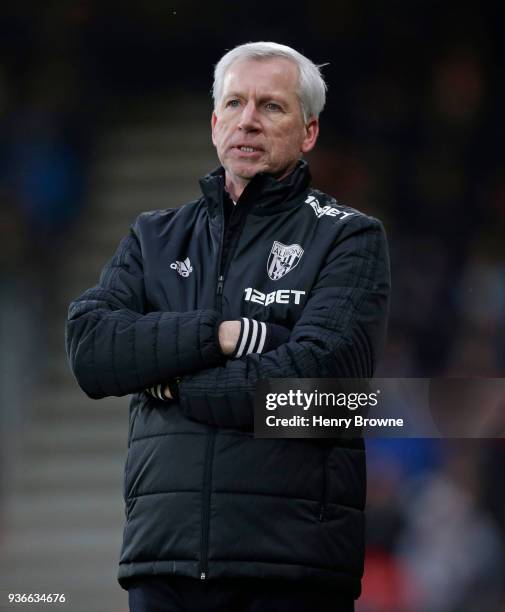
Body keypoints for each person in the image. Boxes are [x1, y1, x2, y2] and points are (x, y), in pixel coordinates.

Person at [65, 41, 391, 612]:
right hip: (161, 562)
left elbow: (319, 382)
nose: (248, 120)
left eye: (271, 106)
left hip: (290, 565)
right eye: (235, 103)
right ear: (214, 122)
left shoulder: (349, 237)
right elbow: (91, 349)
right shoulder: (153, 236)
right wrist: (217, 336)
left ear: (308, 131)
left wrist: (171, 382)